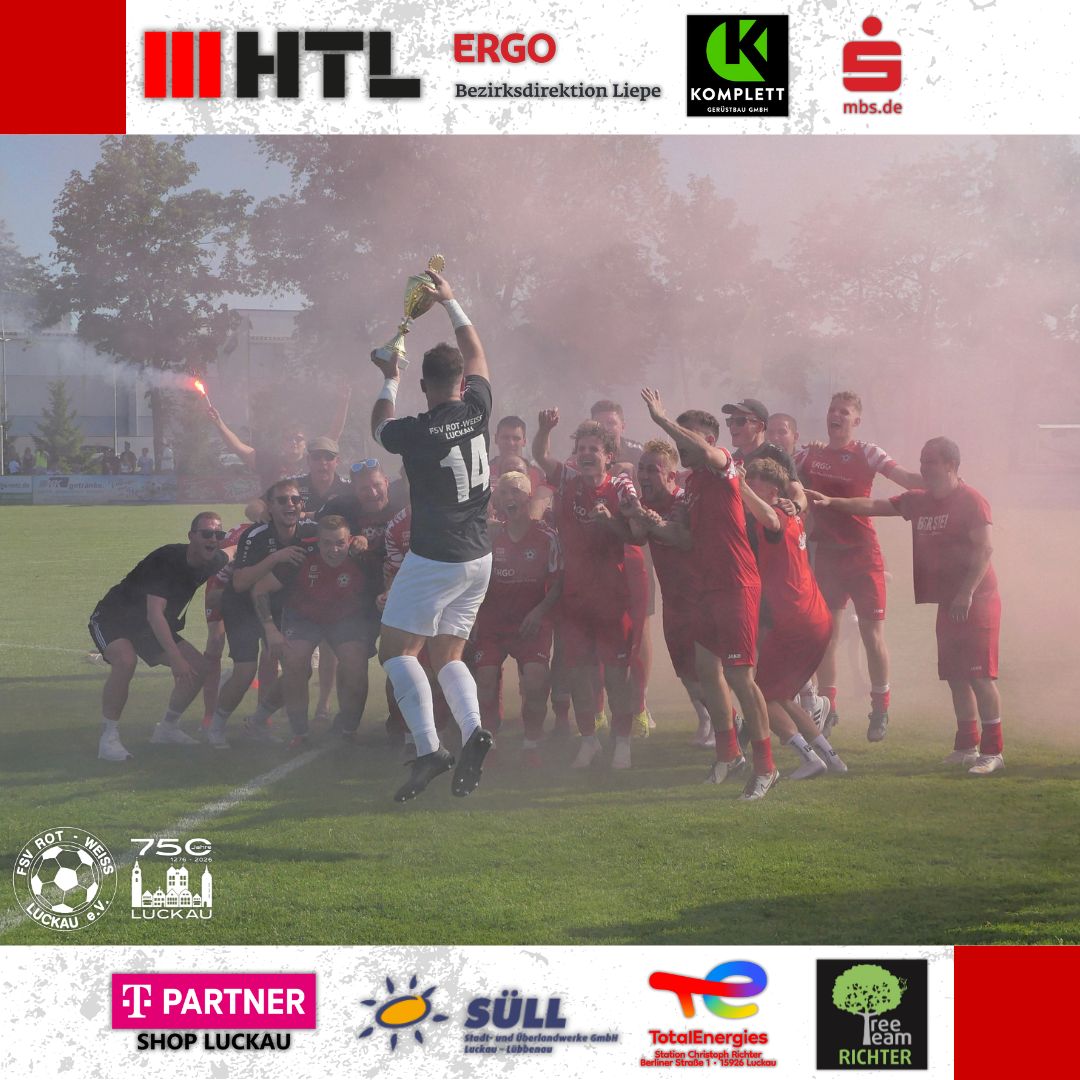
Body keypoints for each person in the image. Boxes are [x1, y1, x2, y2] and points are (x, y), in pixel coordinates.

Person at [370, 269, 496, 801]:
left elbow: (379, 427)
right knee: (448, 655)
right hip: (480, 557)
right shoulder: (479, 408)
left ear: (425, 386)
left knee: (395, 651)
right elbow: (476, 351)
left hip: (435, 557)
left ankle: (429, 749)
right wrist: (450, 301)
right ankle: (473, 731)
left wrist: (389, 376)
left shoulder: (416, 431)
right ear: (462, 382)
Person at [807, 436, 1004, 775]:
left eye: (931, 461)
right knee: (956, 676)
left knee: (980, 676)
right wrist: (831, 501)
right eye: (922, 460)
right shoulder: (920, 500)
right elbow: (874, 505)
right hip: (950, 601)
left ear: (951, 465)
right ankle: (966, 746)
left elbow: (984, 549)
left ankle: (993, 751)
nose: (924, 468)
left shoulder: (971, 500)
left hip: (976, 599)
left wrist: (966, 592)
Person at [641, 389, 778, 801]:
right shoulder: (693, 483)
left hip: (736, 583)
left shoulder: (723, 466)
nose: (680, 444)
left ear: (709, 441)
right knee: (707, 671)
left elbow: (706, 452)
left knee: (740, 678)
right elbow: (683, 537)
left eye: (686, 436)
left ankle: (766, 767)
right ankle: (728, 755)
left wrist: (663, 420)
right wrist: (647, 521)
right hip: (707, 588)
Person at [796, 391, 922, 741]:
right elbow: (776, 472)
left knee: (871, 636)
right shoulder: (809, 454)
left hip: (864, 556)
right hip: (827, 557)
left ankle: (880, 707)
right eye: (832, 410)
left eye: (844, 411)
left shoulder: (868, 452)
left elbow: (906, 479)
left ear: (856, 420)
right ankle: (829, 708)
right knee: (827, 637)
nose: (835, 415)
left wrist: (943, 484)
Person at [533, 412, 644, 769]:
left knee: (615, 675)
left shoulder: (621, 486)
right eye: (581, 448)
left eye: (593, 449)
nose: (585, 454)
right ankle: (589, 740)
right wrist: (544, 430)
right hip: (575, 596)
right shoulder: (567, 479)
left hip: (612, 597)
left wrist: (612, 521)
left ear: (608, 456)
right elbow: (541, 456)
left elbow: (636, 533)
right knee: (579, 673)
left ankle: (622, 741)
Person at [88, 513, 229, 760]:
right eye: (207, 533)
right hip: (114, 618)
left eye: (219, 534)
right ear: (191, 536)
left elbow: (234, 551)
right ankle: (108, 738)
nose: (213, 539)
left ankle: (167, 728)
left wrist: (271, 550)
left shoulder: (213, 558)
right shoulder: (168, 559)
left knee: (199, 668)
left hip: (147, 627)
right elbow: (155, 614)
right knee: (125, 661)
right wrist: (175, 658)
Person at [739, 459, 846, 779]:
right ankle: (831, 756)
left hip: (795, 621)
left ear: (773, 490)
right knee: (782, 695)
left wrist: (740, 487)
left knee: (761, 695)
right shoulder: (793, 512)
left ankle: (808, 758)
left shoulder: (776, 514)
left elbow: (771, 518)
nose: (748, 488)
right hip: (815, 618)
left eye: (754, 483)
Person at [206, 479, 318, 749]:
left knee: (299, 669)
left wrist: (357, 540)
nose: (290, 505)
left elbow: (337, 531)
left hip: (278, 605)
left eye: (295, 499)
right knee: (246, 671)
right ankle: (216, 727)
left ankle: (257, 721)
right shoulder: (255, 535)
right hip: (241, 605)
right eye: (282, 500)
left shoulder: (310, 530)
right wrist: (276, 557)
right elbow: (240, 583)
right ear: (269, 506)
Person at [470, 471, 563, 766]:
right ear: (497, 501)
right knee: (484, 680)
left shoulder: (547, 536)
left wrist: (539, 611)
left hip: (530, 623)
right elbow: (473, 580)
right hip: (493, 623)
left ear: (528, 497)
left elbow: (558, 581)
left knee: (535, 680)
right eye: (504, 493)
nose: (510, 498)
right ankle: (490, 742)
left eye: (516, 492)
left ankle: (531, 743)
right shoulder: (489, 536)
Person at [252, 516, 371, 746]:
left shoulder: (362, 557)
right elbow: (260, 589)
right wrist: (270, 628)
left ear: (350, 540)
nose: (333, 549)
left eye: (340, 543)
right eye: (327, 543)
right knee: (295, 663)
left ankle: (349, 729)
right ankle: (300, 733)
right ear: (317, 541)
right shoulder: (301, 556)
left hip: (345, 617)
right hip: (304, 617)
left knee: (355, 664)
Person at [316, 458, 408, 736]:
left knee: (398, 662)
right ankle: (348, 723)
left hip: (400, 597)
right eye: (364, 488)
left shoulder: (402, 509)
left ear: (387, 484)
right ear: (354, 491)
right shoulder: (343, 509)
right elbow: (317, 529)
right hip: (358, 602)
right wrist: (351, 538)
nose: (372, 492)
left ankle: (399, 724)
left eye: (376, 485)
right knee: (352, 663)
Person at [634, 440, 716, 748]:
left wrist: (651, 521)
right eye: (641, 469)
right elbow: (636, 537)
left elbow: (684, 539)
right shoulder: (646, 502)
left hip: (701, 598)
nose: (644, 475)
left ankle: (726, 723)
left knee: (705, 667)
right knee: (683, 667)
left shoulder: (684, 501)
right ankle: (706, 719)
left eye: (652, 470)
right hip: (673, 599)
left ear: (671, 475)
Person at [206, 376, 352, 491]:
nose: (293, 442)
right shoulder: (270, 462)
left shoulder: (313, 461)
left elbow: (334, 434)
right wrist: (219, 423)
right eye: (289, 438)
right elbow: (238, 447)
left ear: (305, 443)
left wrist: (343, 402)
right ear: (282, 443)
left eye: (298, 439)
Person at [723, 398, 806, 511]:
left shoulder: (777, 455)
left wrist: (795, 506)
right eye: (730, 421)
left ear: (760, 427)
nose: (733, 426)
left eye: (740, 421)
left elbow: (799, 493)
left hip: (770, 521)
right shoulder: (732, 459)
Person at [591, 399, 645, 469]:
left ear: (623, 427)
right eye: (599, 423)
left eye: (610, 423)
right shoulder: (583, 453)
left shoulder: (638, 452)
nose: (605, 428)